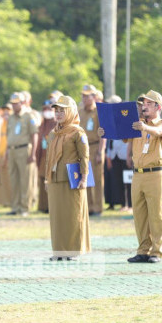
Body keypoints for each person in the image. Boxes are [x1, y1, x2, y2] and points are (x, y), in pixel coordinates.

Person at [121, 90, 162, 263]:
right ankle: (143, 249)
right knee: (140, 215)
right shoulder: (137, 123)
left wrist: (145, 127)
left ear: (158, 107)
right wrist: (106, 130)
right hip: (138, 174)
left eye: (149, 104)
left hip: (155, 174)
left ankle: (156, 251)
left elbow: (159, 133)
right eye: (143, 104)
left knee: (156, 214)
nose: (144, 107)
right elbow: (123, 137)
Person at [45, 95, 91, 260]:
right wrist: (47, 177)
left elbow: (84, 157)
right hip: (55, 179)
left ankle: (73, 251)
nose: (58, 114)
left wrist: (84, 178)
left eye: (62, 111)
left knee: (73, 216)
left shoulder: (77, 132)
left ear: (71, 111)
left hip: (73, 179)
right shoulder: (53, 133)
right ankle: (58, 251)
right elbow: (49, 158)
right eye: (56, 111)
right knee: (57, 217)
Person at [6, 92, 39, 216]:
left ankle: (25, 207)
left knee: (25, 180)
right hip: (12, 150)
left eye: (16, 103)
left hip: (24, 149)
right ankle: (15, 206)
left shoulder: (28, 116)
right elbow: (8, 135)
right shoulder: (10, 117)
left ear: (22, 103)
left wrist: (33, 153)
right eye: (12, 104)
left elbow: (34, 134)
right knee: (14, 179)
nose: (14, 106)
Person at [78, 84, 106, 216]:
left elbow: (103, 134)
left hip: (95, 146)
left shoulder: (99, 111)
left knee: (97, 179)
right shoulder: (80, 111)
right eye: (83, 96)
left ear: (94, 97)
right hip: (83, 147)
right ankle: (88, 206)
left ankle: (97, 207)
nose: (84, 98)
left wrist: (101, 151)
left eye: (87, 96)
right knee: (85, 177)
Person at [36, 100, 57, 212]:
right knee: (42, 180)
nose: (46, 112)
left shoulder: (56, 124)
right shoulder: (42, 124)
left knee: (51, 181)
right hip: (43, 156)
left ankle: (51, 206)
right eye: (44, 109)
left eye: (49, 109)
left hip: (53, 157)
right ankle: (43, 206)